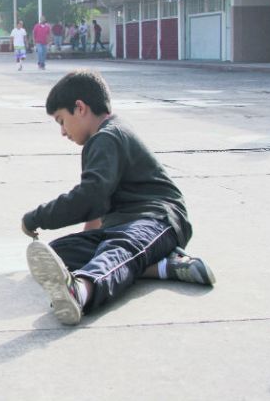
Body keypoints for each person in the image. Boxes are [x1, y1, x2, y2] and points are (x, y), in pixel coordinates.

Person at [22, 69, 215, 325]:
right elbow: (98, 205)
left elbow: (88, 198)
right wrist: (86, 238)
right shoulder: (102, 138)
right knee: (60, 252)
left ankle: (81, 291)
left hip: (156, 219)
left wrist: (35, 217)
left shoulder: (107, 137)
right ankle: (165, 265)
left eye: (60, 120)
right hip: (123, 224)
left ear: (79, 108)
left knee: (118, 248)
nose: (63, 132)